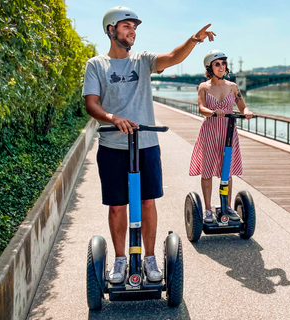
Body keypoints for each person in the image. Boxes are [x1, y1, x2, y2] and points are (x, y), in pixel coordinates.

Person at [82, 6, 215, 284]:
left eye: (134, 28)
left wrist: (193, 40)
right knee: (117, 206)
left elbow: (172, 57)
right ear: (111, 30)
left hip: (147, 145)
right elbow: (91, 104)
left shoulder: (142, 61)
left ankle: (150, 257)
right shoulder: (96, 64)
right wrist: (113, 118)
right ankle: (120, 260)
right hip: (112, 146)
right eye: (127, 26)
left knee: (147, 202)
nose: (132, 32)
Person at [189, 50, 253, 223]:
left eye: (223, 63)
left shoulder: (233, 86)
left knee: (227, 172)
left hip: (228, 131)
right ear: (210, 67)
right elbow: (201, 108)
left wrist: (247, 112)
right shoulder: (204, 87)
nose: (221, 67)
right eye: (217, 64)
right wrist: (212, 112)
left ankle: (227, 206)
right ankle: (208, 209)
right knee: (207, 170)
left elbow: (242, 106)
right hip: (210, 131)